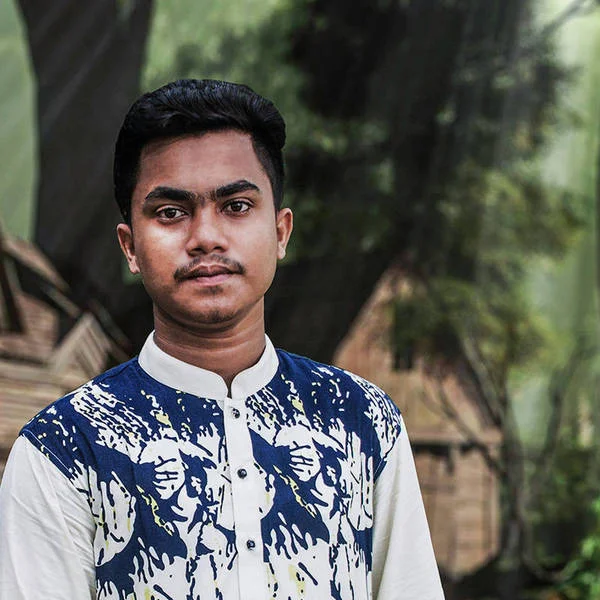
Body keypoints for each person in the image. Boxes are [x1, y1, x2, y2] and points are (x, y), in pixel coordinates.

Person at [0, 79, 444, 600]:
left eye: (235, 206)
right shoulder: (63, 448)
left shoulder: (361, 420)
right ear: (130, 247)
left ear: (280, 232)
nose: (206, 237)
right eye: (171, 212)